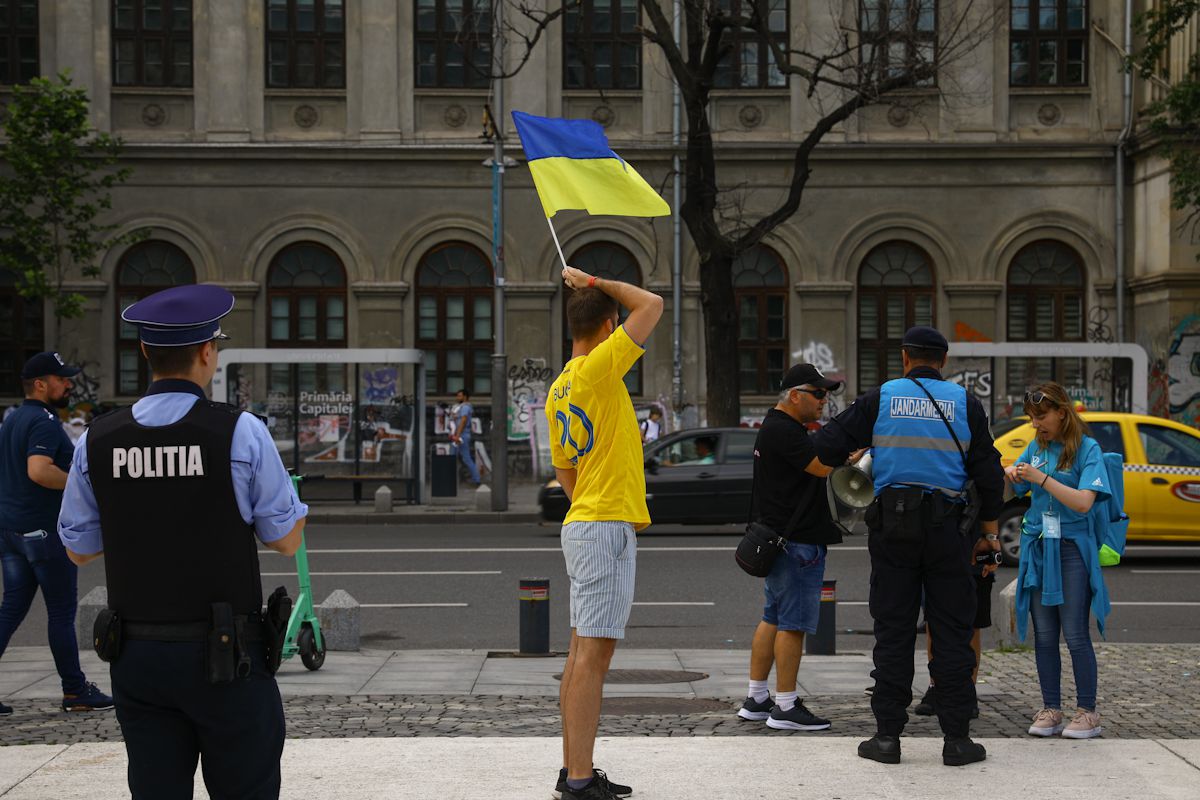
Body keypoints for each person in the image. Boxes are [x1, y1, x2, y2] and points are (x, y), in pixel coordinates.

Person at [57, 284, 308, 799]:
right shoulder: (239, 432)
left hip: (138, 657)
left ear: (146, 352)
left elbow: (79, 549)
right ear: (208, 352)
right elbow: (284, 540)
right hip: (227, 657)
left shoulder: (98, 439)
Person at [814, 326, 1004, 767]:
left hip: (893, 529)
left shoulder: (880, 398)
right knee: (953, 632)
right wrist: (989, 533)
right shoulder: (965, 403)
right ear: (943, 361)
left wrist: (866, 452)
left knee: (894, 631)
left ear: (904, 357)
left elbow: (825, 445)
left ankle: (886, 738)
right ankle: (956, 739)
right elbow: (990, 476)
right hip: (947, 531)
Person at [546, 264, 663, 800]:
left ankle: (576, 768)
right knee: (593, 657)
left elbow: (564, 471)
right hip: (604, 523)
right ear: (611, 324)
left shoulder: (558, 388)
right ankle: (578, 779)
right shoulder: (599, 369)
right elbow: (652, 304)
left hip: (585, 520)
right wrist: (594, 282)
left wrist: (588, 507)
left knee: (578, 654)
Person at [0, 352, 113, 717]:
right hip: (45, 533)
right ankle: (75, 690)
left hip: (12, 530)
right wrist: (82, 487)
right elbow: (39, 470)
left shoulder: (13, 419)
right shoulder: (45, 423)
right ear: (40, 384)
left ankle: (75, 689)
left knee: (12, 609)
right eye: (61, 379)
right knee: (62, 613)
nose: (68, 384)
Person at [736, 363, 843, 732]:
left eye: (825, 394)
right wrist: (851, 455)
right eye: (818, 394)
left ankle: (757, 697)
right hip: (798, 542)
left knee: (773, 617)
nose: (823, 401)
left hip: (779, 537)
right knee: (793, 625)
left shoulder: (775, 426)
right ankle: (785, 705)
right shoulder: (786, 430)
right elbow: (821, 468)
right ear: (795, 395)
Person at [1006, 382, 1110, 740]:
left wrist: (1042, 479)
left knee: (1076, 634)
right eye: (1032, 418)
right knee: (1045, 635)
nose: (1036, 425)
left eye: (1042, 417)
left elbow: (1083, 502)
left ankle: (1088, 713)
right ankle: (1051, 708)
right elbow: (1020, 486)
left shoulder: (1087, 449)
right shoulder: (1037, 447)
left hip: (1071, 549)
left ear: (1062, 413)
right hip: (1038, 547)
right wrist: (1014, 475)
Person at [913, 570, 993, 719]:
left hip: (973, 561)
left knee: (973, 621)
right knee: (933, 617)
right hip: (936, 558)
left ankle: (968, 691)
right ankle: (936, 687)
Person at [451, 388, 482, 486]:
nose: (457, 397)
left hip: (461, 435)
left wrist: (458, 436)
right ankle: (451, 479)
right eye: (457, 395)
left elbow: (463, 421)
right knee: (454, 456)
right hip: (459, 434)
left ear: (465, 397)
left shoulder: (465, 407)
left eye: (459, 396)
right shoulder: (461, 407)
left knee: (466, 458)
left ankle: (477, 480)